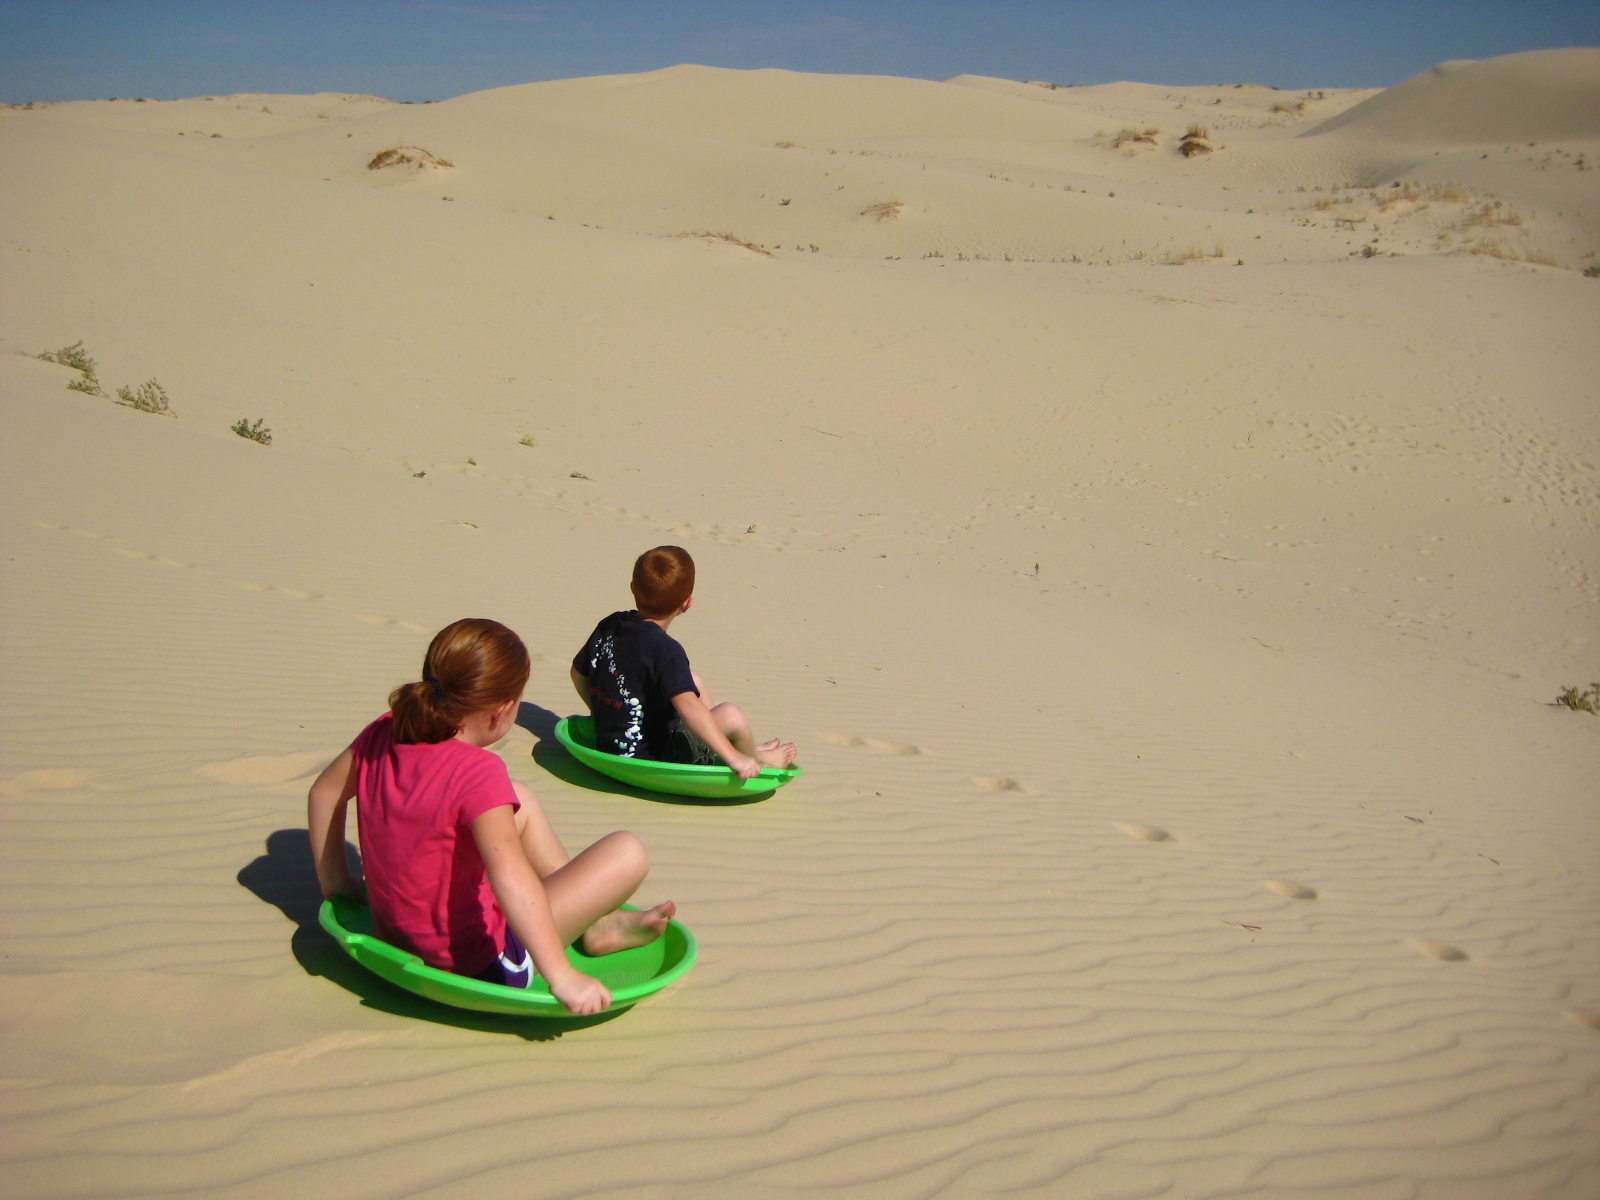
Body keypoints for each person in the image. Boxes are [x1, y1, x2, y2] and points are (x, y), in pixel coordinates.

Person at [307, 617, 674, 1016]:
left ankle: (594, 924)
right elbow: (511, 878)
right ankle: (593, 929)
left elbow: (324, 793)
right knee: (628, 851)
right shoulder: (477, 772)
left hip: (391, 937)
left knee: (519, 798)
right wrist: (561, 974)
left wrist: (336, 881)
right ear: (502, 711)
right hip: (482, 965)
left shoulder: (385, 731)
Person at [570, 545, 797, 780]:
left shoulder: (610, 625)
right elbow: (689, 709)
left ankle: (731, 744)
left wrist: (603, 714)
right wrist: (733, 759)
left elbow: (578, 673)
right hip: (654, 756)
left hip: (611, 742)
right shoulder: (667, 651)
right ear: (687, 604)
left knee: (691, 679)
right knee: (731, 716)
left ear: (632, 589)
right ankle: (754, 759)